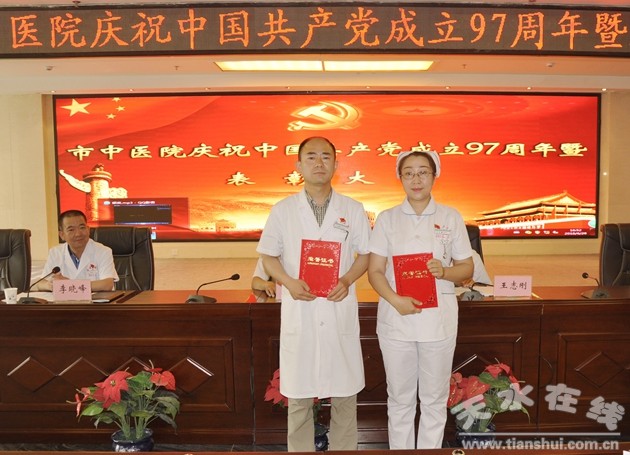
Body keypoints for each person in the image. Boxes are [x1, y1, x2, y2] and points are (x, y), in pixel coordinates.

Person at [256, 136, 371, 452]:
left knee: (345, 396)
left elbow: (365, 254)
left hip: (338, 307)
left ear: (336, 164)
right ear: (298, 165)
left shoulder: (353, 209)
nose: (319, 163)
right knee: (299, 398)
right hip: (301, 309)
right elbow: (268, 256)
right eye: (311, 157)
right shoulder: (283, 210)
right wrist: (288, 282)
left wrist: (347, 279)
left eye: (325, 156)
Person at [367, 150, 474, 449]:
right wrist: (395, 300)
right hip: (396, 319)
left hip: (438, 322)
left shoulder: (450, 216)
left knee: (434, 399)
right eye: (409, 173)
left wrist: (445, 271)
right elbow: (375, 271)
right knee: (399, 399)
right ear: (400, 178)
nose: (416, 179)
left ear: (434, 176)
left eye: (423, 172)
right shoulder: (387, 219)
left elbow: (467, 268)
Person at [35, 209, 118, 292]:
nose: (78, 234)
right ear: (62, 235)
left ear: (88, 230)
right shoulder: (55, 252)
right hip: (65, 300)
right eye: (71, 230)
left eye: (82, 227)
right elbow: (40, 283)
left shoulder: (103, 251)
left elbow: (107, 284)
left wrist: (69, 284)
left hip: (95, 300)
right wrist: (51, 285)